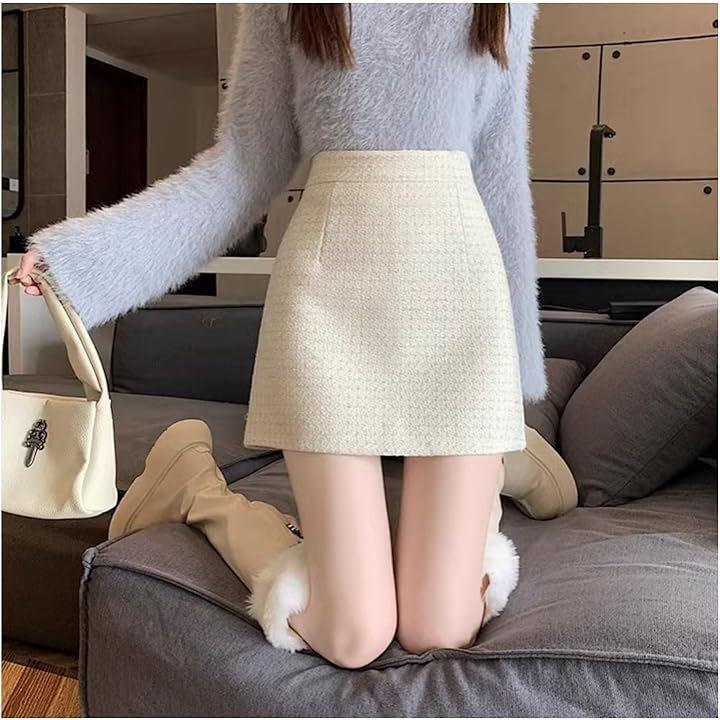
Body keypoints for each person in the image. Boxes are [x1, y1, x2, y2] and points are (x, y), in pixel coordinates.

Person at [14, 3, 572, 669]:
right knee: (352, 635)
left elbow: (502, 177)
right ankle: (197, 490)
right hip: (329, 309)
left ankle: (500, 460)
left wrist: (516, 378)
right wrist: (81, 260)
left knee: (439, 629)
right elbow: (242, 168)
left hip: (462, 310)